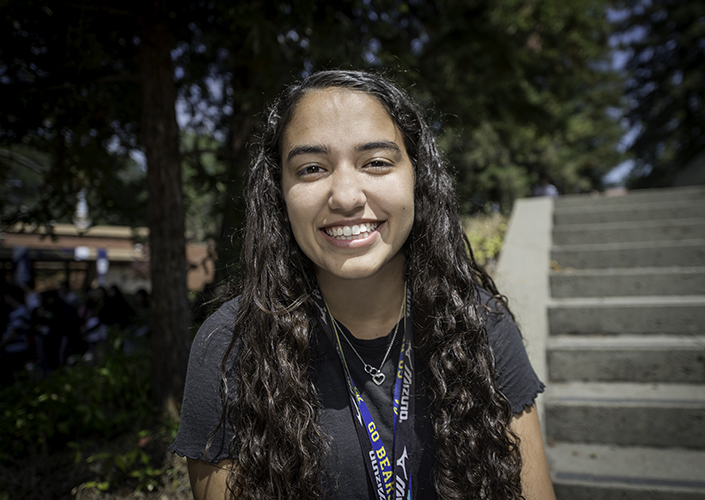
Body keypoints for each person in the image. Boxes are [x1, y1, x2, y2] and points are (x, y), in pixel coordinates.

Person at [170, 70, 556, 500]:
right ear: (279, 192)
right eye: (312, 168)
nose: (347, 196)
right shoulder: (229, 347)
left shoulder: (481, 325)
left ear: (417, 176)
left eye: (376, 162)